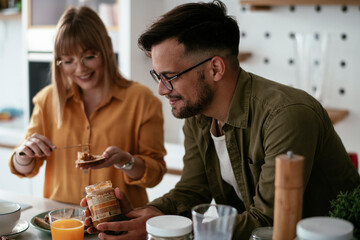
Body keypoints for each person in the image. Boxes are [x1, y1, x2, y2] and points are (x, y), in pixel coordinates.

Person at [80, 1, 360, 239]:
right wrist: (141, 216)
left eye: (170, 76)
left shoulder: (287, 115)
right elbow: (192, 190)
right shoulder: (198, 115)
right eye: (157, 76)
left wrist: (164, 228)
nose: (161, 89)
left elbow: (267, 223)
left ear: (215, 68)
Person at [8, 6, 166, 207]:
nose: (80, 68)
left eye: (89, 57)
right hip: (63, 225)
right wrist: (24, 153)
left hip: (120, 226)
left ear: (107, 48)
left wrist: (127, 161)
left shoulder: (142, 100)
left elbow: (155, 175)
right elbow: (23, 168)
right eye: (68, 61)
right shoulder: (47, 100)